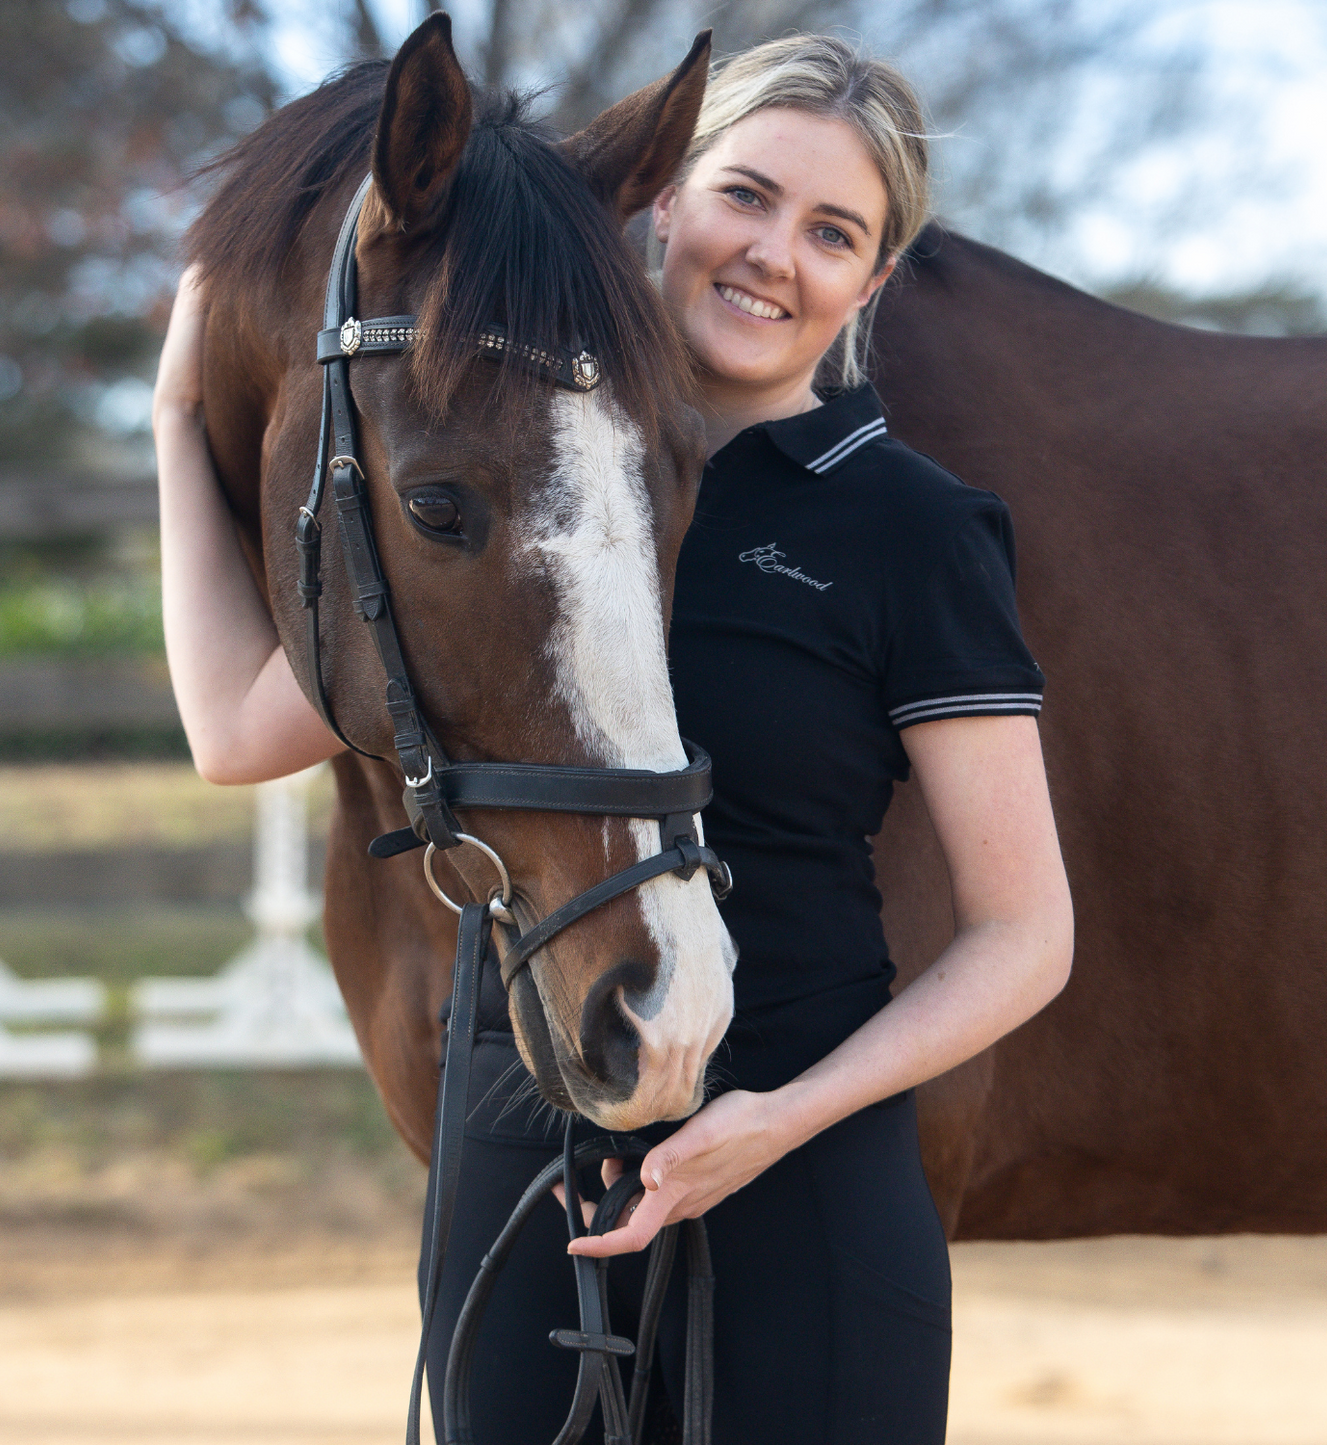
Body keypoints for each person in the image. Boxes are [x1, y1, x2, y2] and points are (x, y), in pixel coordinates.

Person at [153, 34, 1073, 1445]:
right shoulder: (526, 467)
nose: (774, 254)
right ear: (661, 203)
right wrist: (173, 417)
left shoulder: (913, 529)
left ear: (872, 284)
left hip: (797, 1156)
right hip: (523, 1147)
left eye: (833, 233)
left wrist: (782, 1119)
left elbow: (1026, 935)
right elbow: (231, 732)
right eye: (747, 197)